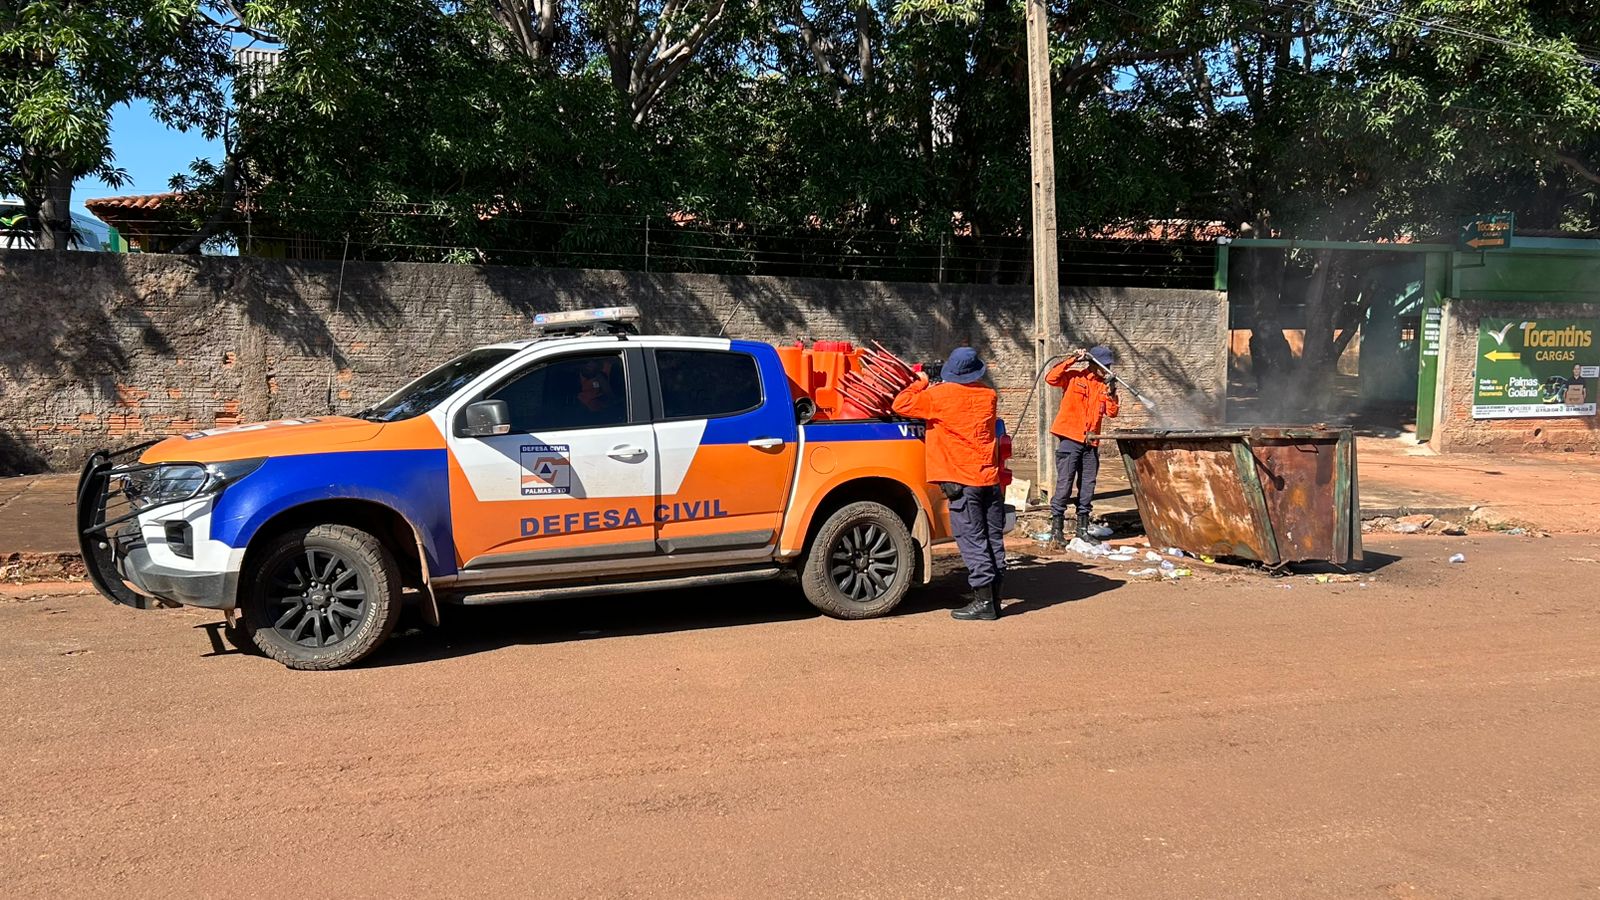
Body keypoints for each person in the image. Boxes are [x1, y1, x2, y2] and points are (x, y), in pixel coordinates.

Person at [891, 347, 1006, 621]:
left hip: (961, 481)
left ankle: (984, 604)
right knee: (992, 539)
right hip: (988, 479)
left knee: (972, 540)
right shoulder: (989, 395)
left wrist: (920, 380)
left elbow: (901, 404)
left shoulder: (939, 396)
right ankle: (995, 597)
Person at [1045, 345, 1120, 545]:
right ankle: (1056, 531)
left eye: (1108, 366)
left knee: (1087, 485)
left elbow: (1112, 413)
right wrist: (1072, 359)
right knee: (1065, 484)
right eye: (1102, 365)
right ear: (1092, 364)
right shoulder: (1074, 377)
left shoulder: (1104, 386)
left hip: (1091, 441)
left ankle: (1082, 530)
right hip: (1070, 438)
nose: (1105, 369)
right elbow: (1051, 378)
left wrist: (1112, 390)